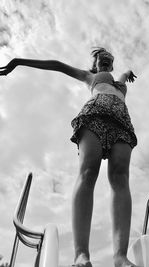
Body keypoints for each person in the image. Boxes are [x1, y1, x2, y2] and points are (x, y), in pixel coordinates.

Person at [0, 48, 138, 267]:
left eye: (108, 56)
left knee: (120, 177)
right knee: (88, 171)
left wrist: (129, 71)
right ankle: (81, 254)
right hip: (96, 112)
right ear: (95, 63)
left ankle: (120, 257)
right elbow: (57, 65)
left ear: (112, 63)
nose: (104, 57)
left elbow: (125, 74)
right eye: (100, 56)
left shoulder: (118, 80)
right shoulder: (89, 76)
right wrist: (19, 61)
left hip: (121, 119)